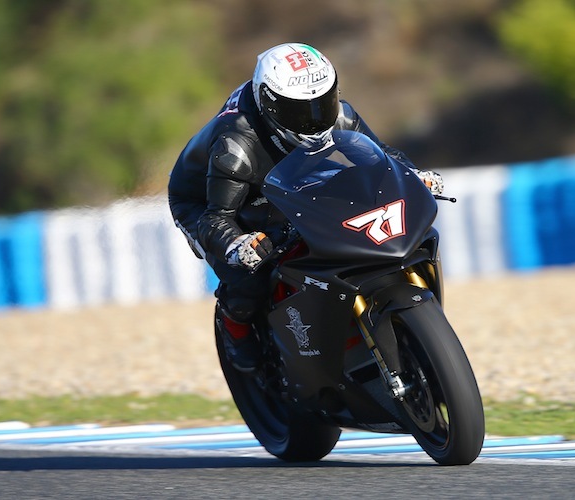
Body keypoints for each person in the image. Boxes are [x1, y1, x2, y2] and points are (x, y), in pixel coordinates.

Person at [168, 42, 443, 372]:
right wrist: (237, 244)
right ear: (269, 103)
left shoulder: (342, 115)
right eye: (300, 111)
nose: (314, 119)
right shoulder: (235, 145)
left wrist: (412, 177)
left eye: (322, 103)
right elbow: (217, 217)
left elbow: (382, 160)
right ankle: (236, 329)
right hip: (210, 199)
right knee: (248, 274)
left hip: (287, 174)